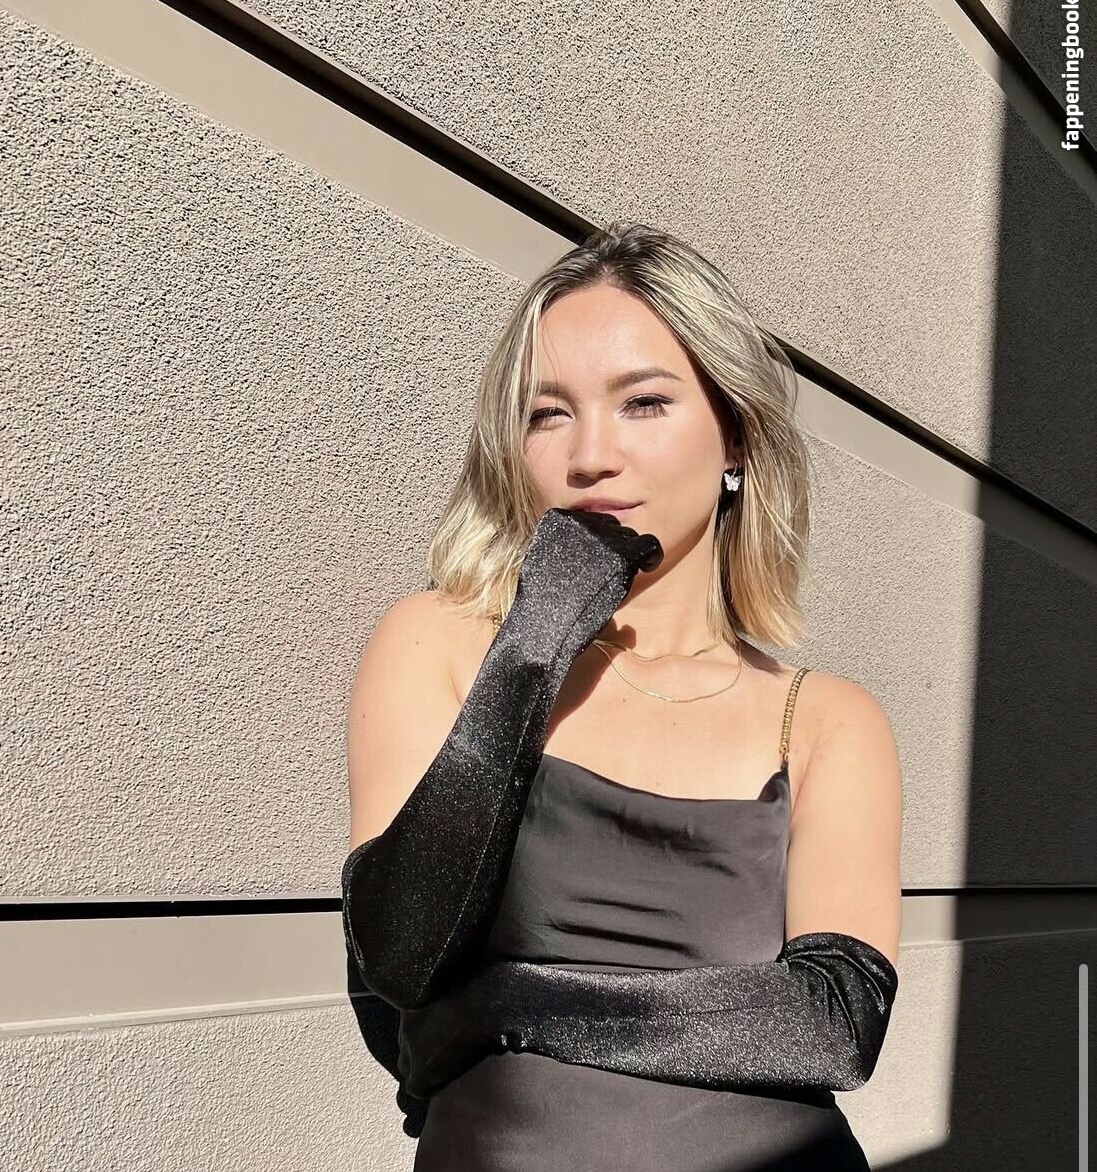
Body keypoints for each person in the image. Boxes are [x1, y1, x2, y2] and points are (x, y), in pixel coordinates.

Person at [341, 221, 903, 1170]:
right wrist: (537, 637)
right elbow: (400, 954)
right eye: (547, 413)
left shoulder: (824, 719)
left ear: (735, 436)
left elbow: (833, 1022)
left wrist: (508, 1005)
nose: (590, 454)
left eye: (644, 402)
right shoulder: (441, 642)